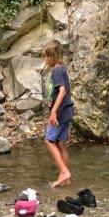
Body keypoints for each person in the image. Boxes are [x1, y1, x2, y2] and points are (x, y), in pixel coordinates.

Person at [44, 39, 74, 188]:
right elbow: (61, 91)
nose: (45, 59)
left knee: (49, 141)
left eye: (46, 56)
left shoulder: (56, 70)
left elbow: (62, 91)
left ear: (53, 56)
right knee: (60, 143)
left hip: (60, 113)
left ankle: (64, 172)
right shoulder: (62, 68)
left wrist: (53, 111)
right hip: (67, 110)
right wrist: (51, 102)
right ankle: (66, 179)